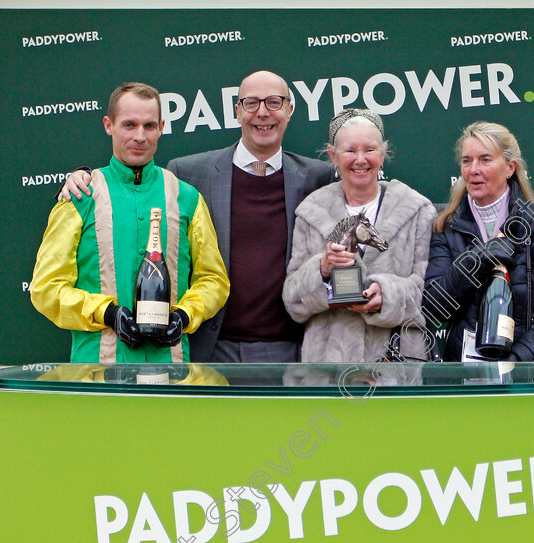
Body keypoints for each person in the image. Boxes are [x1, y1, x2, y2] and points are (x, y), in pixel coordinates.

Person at [61, 71, 335, 363]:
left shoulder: (318, 177)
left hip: (289, 349)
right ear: (237, 110)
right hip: (211, 349)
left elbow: (362, 189)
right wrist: (82, 179)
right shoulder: (188, 174)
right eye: (252, 103)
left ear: (290, 110)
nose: (263, 112)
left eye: (274, 102)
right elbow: (135, 183)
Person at [31, 82, 230, 363]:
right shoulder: (80, 196)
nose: (140, 136)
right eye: (129, 125)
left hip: (171, 371)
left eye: (149, 126)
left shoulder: (186, 197)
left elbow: (214, 281)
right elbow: (46, 289)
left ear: (161, 127)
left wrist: (184, 316)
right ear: (108, 125)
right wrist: (107, 313)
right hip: (97, 376)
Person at [423, 121, 534, 362]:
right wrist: (477, 261)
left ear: (510, 167)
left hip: (526, 378)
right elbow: (434, 308)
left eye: (485, 159)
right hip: (463, 377)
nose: (473, 169)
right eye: (467, 160)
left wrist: (519, 359)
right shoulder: (445, 227)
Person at [282, 109, 437, 362]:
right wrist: (322, 269)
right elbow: (293, 301)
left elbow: (429, 293)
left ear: (383, 153)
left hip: (395, 367)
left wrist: (386, 295)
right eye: (350, 151)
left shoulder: (416, 210)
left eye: (370, 150)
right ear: (333, 156)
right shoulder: (310, 212)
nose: (361, 160)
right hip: (327, 371)